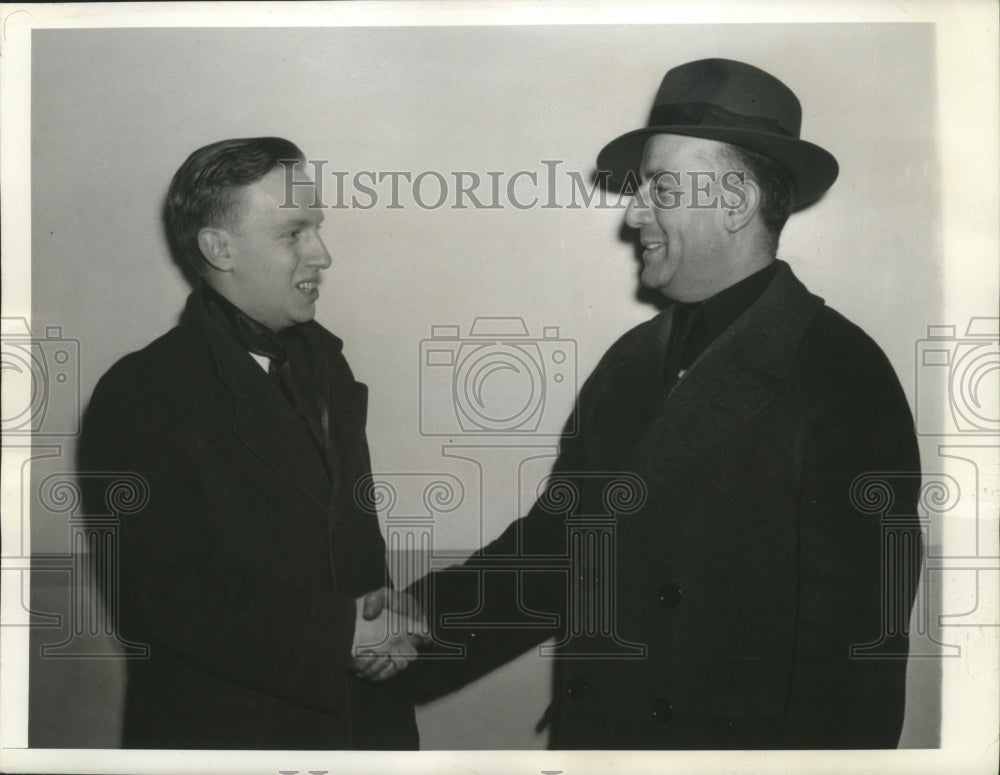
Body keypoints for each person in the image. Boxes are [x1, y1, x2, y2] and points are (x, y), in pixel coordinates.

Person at [360, 59, 924, 749]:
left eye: (658, 187)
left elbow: (854, 669)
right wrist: (421, 617)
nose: (633, 215)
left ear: (737, 201)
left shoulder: (842, 375)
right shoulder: (630, 361)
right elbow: (561, 548)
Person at [79, 137, 423, 749]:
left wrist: (377, 621)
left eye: (316, 228)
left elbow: (340, 544)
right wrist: (341, 634)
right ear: (219, 247)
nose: (323, 254)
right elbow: (163, 596)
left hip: (365, 728)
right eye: (294, 233)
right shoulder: (140, 392)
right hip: (233, 741)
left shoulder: (326, 363)